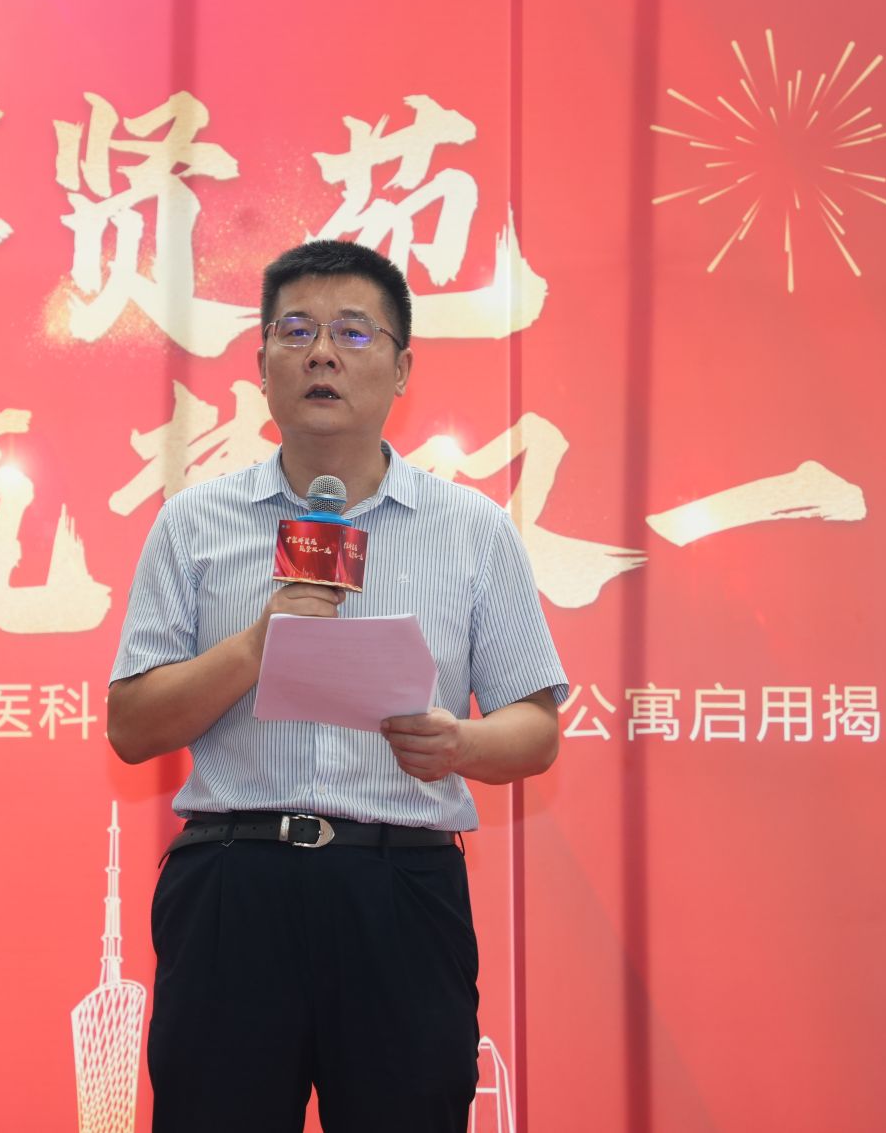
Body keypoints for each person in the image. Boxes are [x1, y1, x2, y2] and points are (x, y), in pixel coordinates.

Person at [106, 240, 568, 1133]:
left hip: (399, 888)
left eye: (354, 332)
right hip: (232, 887)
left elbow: (536, 725)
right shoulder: (193, 524)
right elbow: (131, 725)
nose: (322, 352)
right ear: (262, 366)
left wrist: (462, 743)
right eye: (297, 331)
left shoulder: (472, 529)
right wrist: (257, 644)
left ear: (402, 368)